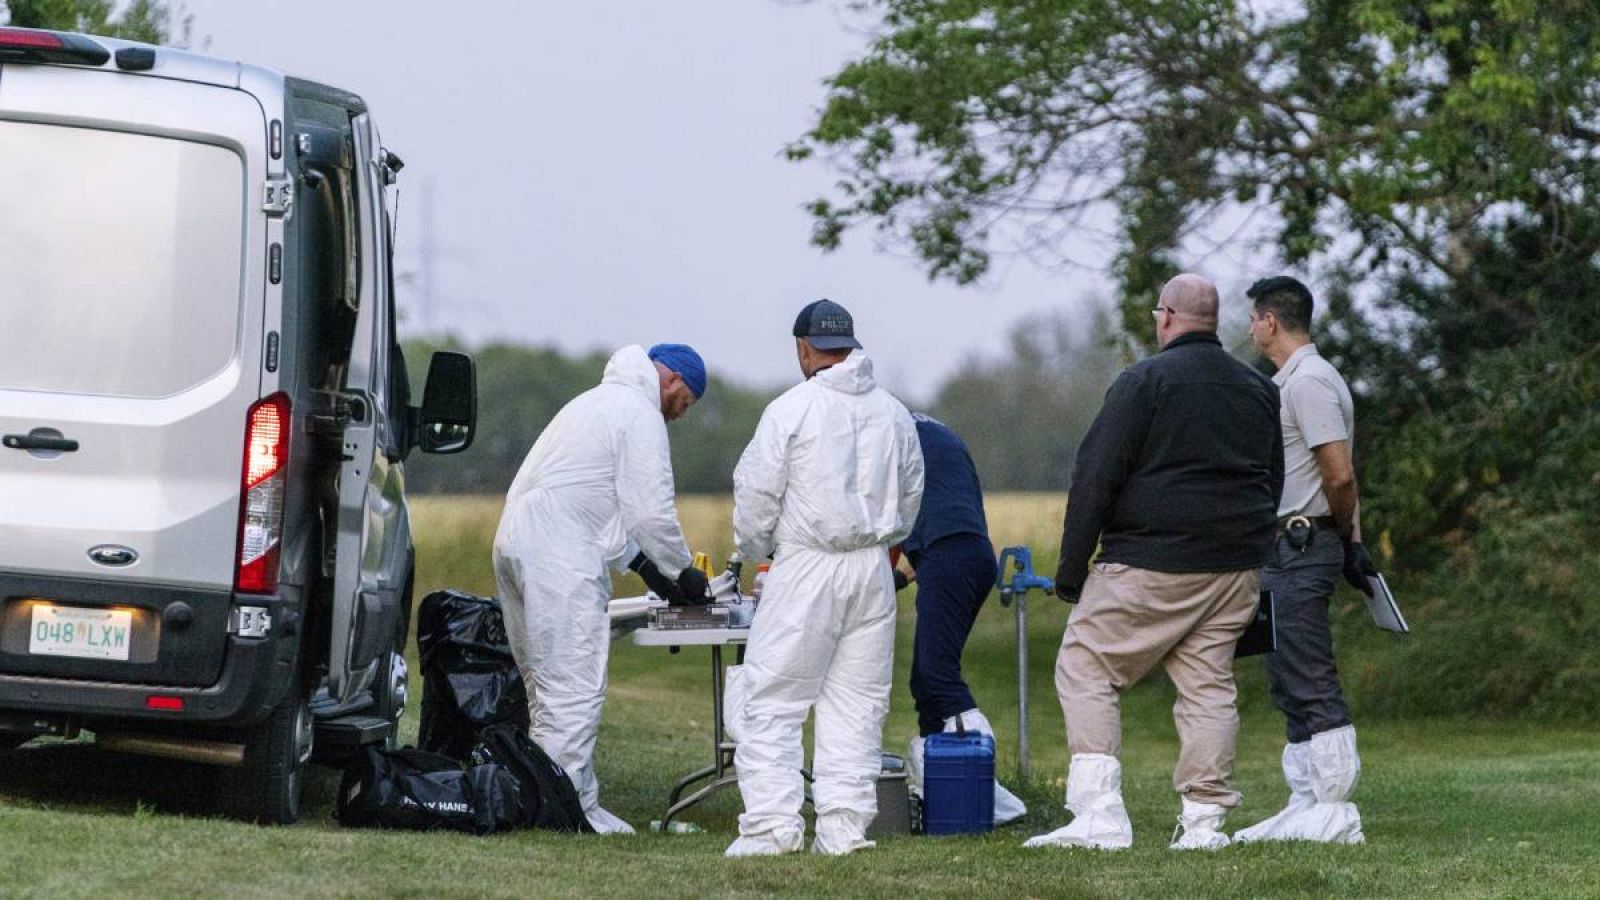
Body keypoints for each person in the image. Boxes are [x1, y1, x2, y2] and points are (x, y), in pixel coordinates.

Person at [1024, 273, 1284, 852]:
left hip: (1151, 560)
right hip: (1234, 566)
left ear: (1165, 317)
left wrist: (1071, 572)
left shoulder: (1143, 382)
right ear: (1213, 321)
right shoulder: (1258, 388)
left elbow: (1095, 476)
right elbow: (1273, 476)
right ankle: (1204, 823)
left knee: (1087, 665)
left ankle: (1098, 814)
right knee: (1207, 684)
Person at [725, 299, 924, 857]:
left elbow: (757, 494)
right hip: (872, 570)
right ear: (852, 346)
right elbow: (911, 499)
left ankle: (771, 827)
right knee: (856, 703)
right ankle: (841, 830)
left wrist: (756, 550)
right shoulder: (894, 413)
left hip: (807, 565)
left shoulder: (791, 409)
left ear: (803, 349)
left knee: (773, 700)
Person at [491, 342, 712, 834]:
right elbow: (650, 512)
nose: (680, 415)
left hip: (515, 542)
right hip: (557, 558)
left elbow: (596, 511)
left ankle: (556, 798)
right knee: (573, 688)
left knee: (544, 687)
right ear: (674, 381)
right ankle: (566, 814)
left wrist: (650, 572)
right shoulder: (639, 413)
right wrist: (683, 572)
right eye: (686, 404)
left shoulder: (592, 403)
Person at [1234, 275, 1373, 845]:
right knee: (1287, 674)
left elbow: (1338, 474)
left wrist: (1346, 540)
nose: (1250, 328)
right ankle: (1306, 801)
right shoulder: (1290, 381)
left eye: (1253, 318)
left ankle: (1335, 808)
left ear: (1270, 321)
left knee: (1309, 673)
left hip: (1302, 543)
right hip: (1286, 547)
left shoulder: (1310, 382)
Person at [894, 413, 1027, 826]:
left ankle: (986, 794)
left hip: (948, 555)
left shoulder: (886, 432)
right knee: (926, 679)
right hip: (965, 553)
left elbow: (882, 521)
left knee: (937, 675)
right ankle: (940, 793)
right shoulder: (931, 431)